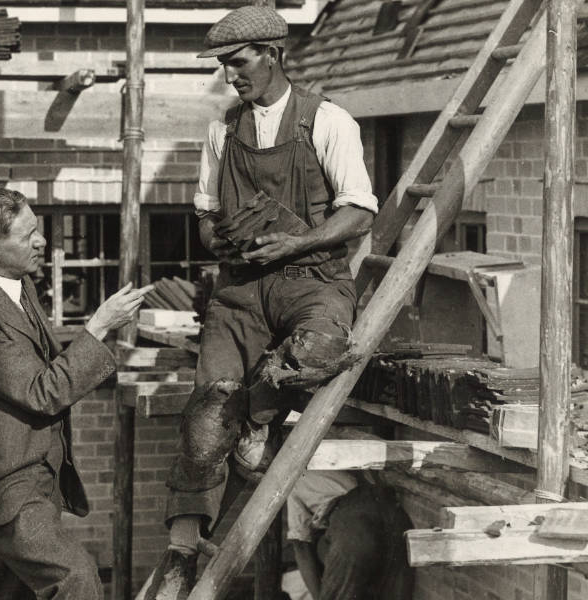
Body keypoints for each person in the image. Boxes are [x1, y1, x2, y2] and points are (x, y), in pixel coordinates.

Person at [146, 5, 379, 597]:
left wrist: (299, 237)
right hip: (241, 289)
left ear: (274, 55)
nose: (231, 77)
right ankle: (180, 554)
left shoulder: (329, 121)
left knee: (323, 347)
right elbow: (202, 216)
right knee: (205, 416)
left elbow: (357, 212)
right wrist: (224, 235)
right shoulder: (222, 130)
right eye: (224, 67)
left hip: (312, 279)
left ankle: (254, 413)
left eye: (239, 63)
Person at [0, 186, 152, 600]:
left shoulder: (17, 282)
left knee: (1, 594)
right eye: (28, 234)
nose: (42, 240)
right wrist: (98, 326)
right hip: (1, 485)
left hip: (36, 474)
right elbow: (42, 391)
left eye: (39, 228)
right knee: (77, 578)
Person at [287, 471, 415, 600]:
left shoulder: (292, 480)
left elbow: (301, 547)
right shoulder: (338, 457)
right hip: (395, 513)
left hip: (353, 520)